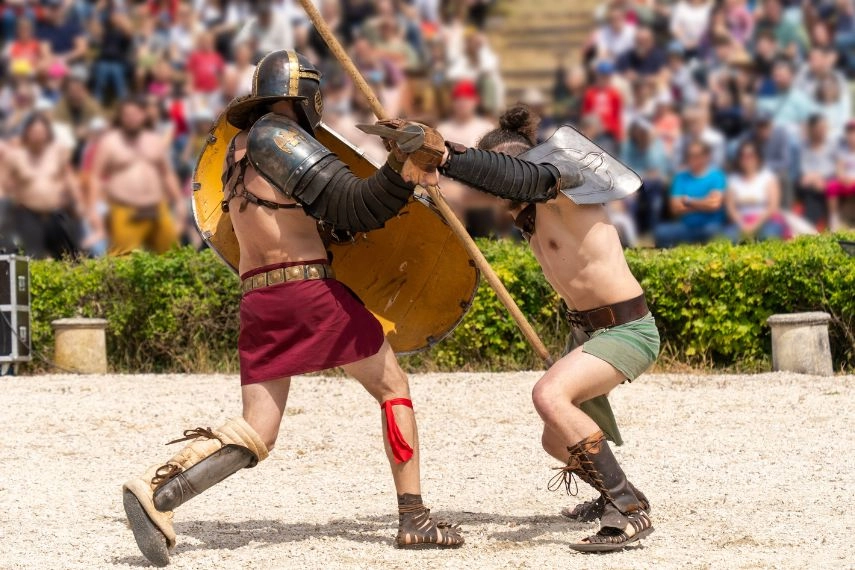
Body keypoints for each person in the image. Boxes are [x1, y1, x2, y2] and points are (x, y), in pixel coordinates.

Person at [121, 51, 466, 567]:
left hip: (260, 297)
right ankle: (413, 518)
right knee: (393, 388)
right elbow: (358, 204)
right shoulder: (277, 136)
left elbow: (307, 218)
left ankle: (160, 496)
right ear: (307, 97)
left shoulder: (238, 149)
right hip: (307, 292)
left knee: (258, 430)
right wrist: (400, 165)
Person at [431, 104, 657, 551]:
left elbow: (520, 179)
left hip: (627, 328)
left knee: (548, 396)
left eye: (499, 180)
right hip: (588, 334)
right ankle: (617, 491)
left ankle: (628, 510)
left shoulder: (563, 188)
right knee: (557, 442)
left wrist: (447, 155)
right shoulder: (526, 213)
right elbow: (479, 189)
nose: (497, 194)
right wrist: (417, 168)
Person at [89, 98, 185, 256]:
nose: (131, 118)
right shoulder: (109, 142)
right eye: (127, 115)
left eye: (135, 114)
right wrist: (93, 209)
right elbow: (96, 177)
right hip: (125, 209)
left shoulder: (154, 141)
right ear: (121, 117)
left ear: (143, 115)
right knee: (121, 262)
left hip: (157, 208)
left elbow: (167, 174)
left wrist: (179, 201)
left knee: (174, 257)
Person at [1, 113, 83, 259]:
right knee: (33, 257)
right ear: (26, 133)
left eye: (41, 132)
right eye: (34, 132)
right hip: (27, 214)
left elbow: (69, 179)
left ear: (47, 134)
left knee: (70, 257)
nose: (37, 136)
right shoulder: (15, 157)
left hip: (56, 213)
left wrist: (78, 202)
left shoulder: (58, 152)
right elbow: (2, 183)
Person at [655, 141, 727, 247]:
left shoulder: (717, 176)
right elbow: (675, 208)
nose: (693, 159)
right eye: (690, 155)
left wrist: (689, 201)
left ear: (706, 156)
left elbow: (714, 205)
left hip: (710, 226)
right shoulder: (681, 177)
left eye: (697, 155)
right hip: (686, 227)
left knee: (712, 232)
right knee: (661, 232)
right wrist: (704, 204)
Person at [724, 140, 785, 242]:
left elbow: (772, 206)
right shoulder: (733, 180)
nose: (747, 159)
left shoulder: (768, 177)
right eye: (743, 156)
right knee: (727, 238)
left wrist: (755, 225)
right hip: (741, 222)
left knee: (769, 236)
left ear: (758, 158)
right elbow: (730, 207)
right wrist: (742, 225)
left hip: (766, 221)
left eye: (750, 156)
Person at [797, 114, 835, 228]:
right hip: (808, 181)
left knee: (815, 194)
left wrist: (820, 178)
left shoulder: (831, 145)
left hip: (826, 180)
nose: (823, 131)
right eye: (820, 128)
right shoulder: (803, 146)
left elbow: (833, 167)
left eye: (824, 128)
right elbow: (802, 166)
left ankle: (809, 226)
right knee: (811, 190)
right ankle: (810, 226)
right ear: (812, 129)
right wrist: (813, 178)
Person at [828, 120, 855, 230]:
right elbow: (839, 169)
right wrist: (843, 178)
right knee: (831, 186)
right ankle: (834, 217)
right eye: (850, 133)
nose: (852, 136)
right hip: (845, 182)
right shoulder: (842, 151)